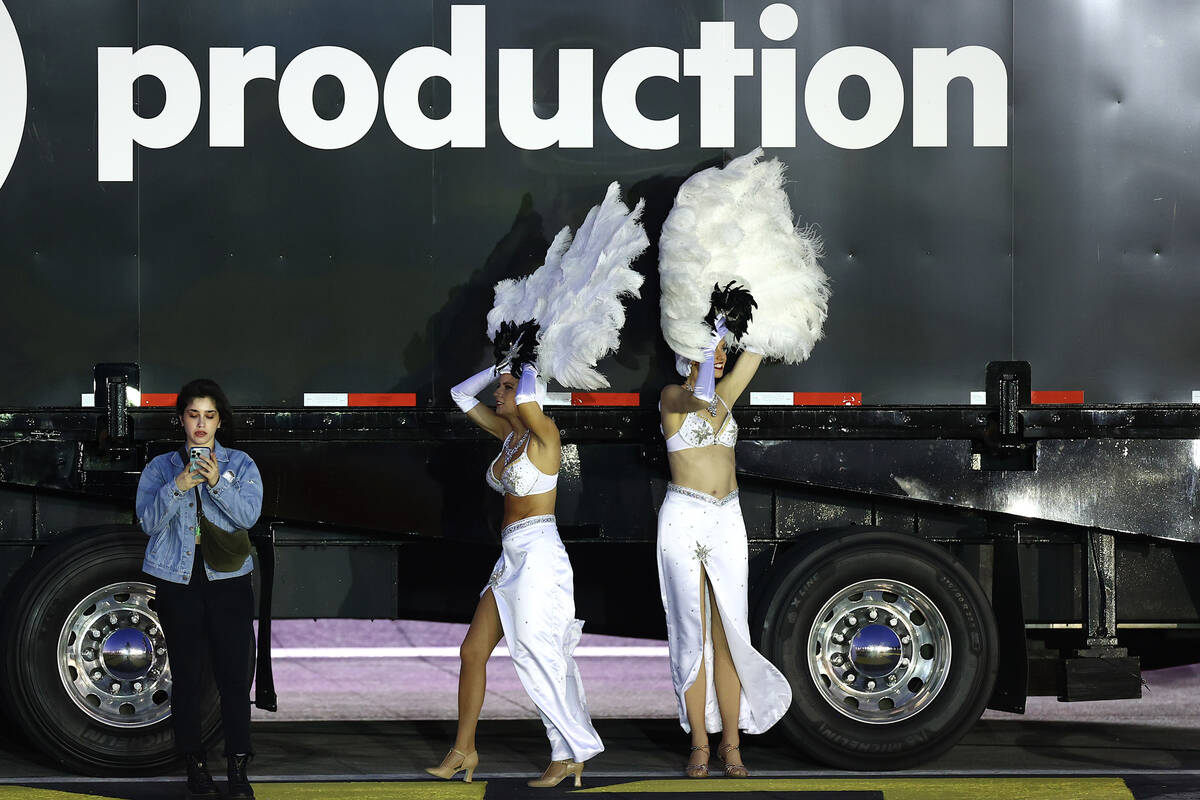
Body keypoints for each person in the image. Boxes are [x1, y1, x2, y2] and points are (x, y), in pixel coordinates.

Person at [425, 357, 604, 788]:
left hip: (539, 556)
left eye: (505, 387)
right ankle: (463, 749)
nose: (498, 394)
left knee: (538, 656)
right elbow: (459, 395)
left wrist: (525, 365)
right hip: (509, 558)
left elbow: (526, 397)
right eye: (500, 387)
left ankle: (567, 753)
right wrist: (497, 367)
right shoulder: (508, 436)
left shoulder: (545, 435)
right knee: (471, 652)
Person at [657, 315, 793, 778]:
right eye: (709, 349)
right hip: (684, 518)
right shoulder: (673, 397)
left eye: (721, 350)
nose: (719, 355)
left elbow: (754, 352)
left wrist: (773, 297)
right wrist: (709, 336)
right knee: (691, 636)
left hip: (728, 519)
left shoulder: (726, 400)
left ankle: (731, 745)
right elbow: (698, 395)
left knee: (731, 633)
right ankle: (698, 742)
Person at [135, 379, 263, 799]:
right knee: (187, 678)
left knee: (232, 678)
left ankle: (238, 768)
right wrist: (180, 486)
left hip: (228, 581)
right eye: (193, 415)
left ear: (219, 421)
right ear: (181, 420)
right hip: (178, 580)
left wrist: (216, 483)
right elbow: (148, 523)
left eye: (209, 416)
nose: (201, 425)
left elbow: (248, 516)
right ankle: (196, 765)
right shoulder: (160, 468)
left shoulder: (240, 464)